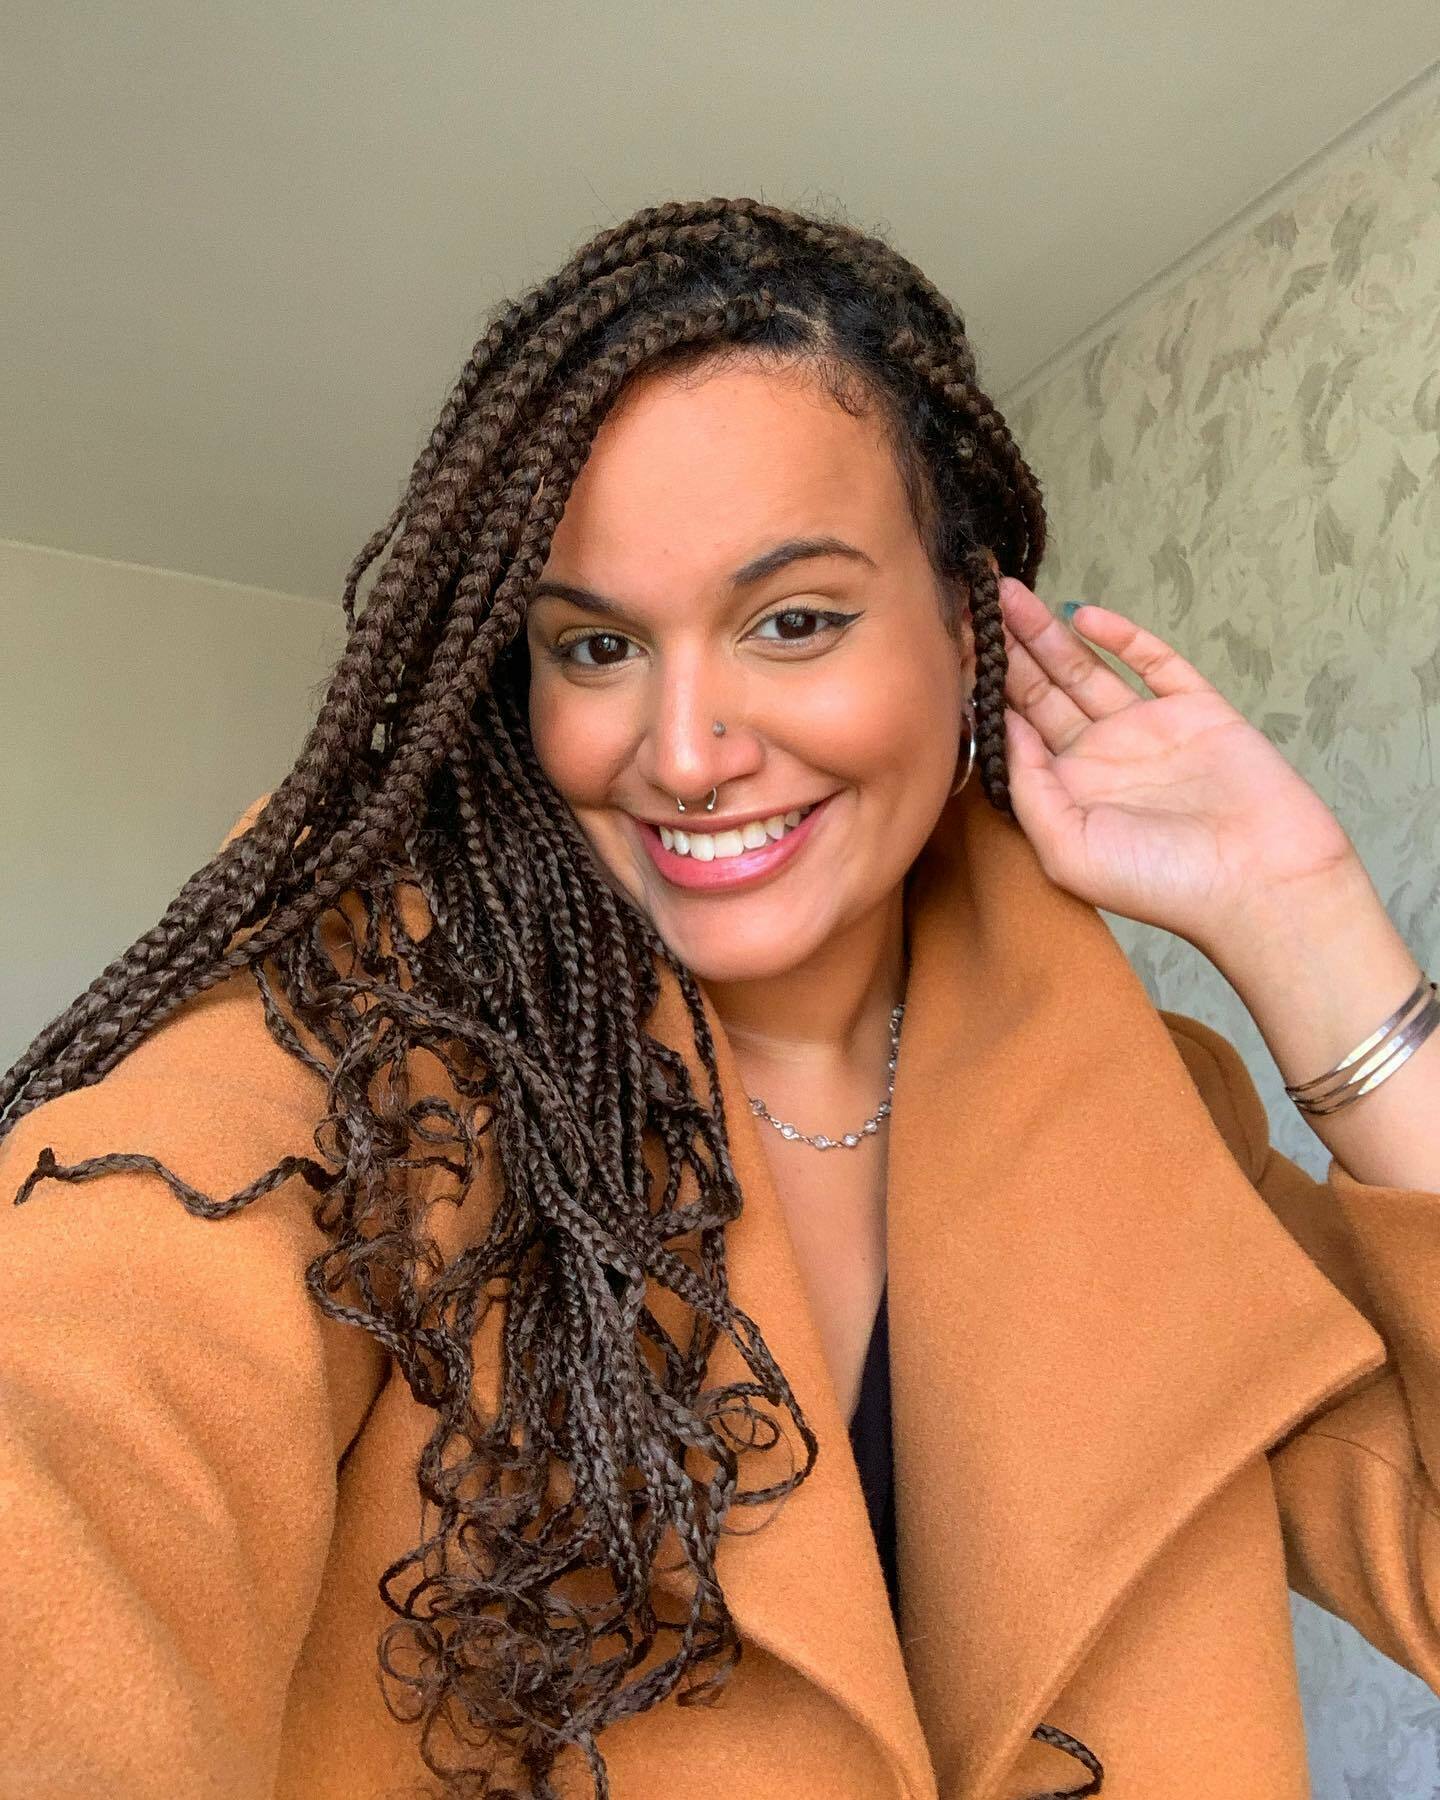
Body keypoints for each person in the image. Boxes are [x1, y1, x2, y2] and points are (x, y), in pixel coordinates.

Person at [1, 195, 1437, 1800]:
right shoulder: (356, 1029)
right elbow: (78, 1424)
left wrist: (1310, 932)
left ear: (968, 630)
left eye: (794, 621)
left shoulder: (1145, 1108)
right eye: (597, 647)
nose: (683, 751)